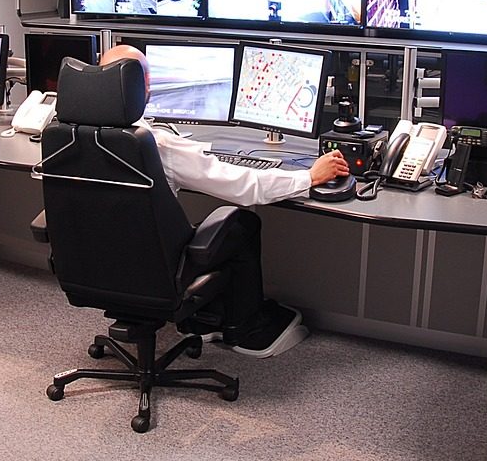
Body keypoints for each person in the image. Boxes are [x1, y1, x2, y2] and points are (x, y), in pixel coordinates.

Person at [100, 45, 351, 357]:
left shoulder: (63, 134)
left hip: (96, 262)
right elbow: (243, 187)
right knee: (240, 224)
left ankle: (203, 318)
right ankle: (245, 327)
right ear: (145, 87)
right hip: (154, 266)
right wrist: (309, 178)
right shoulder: (154, 144)